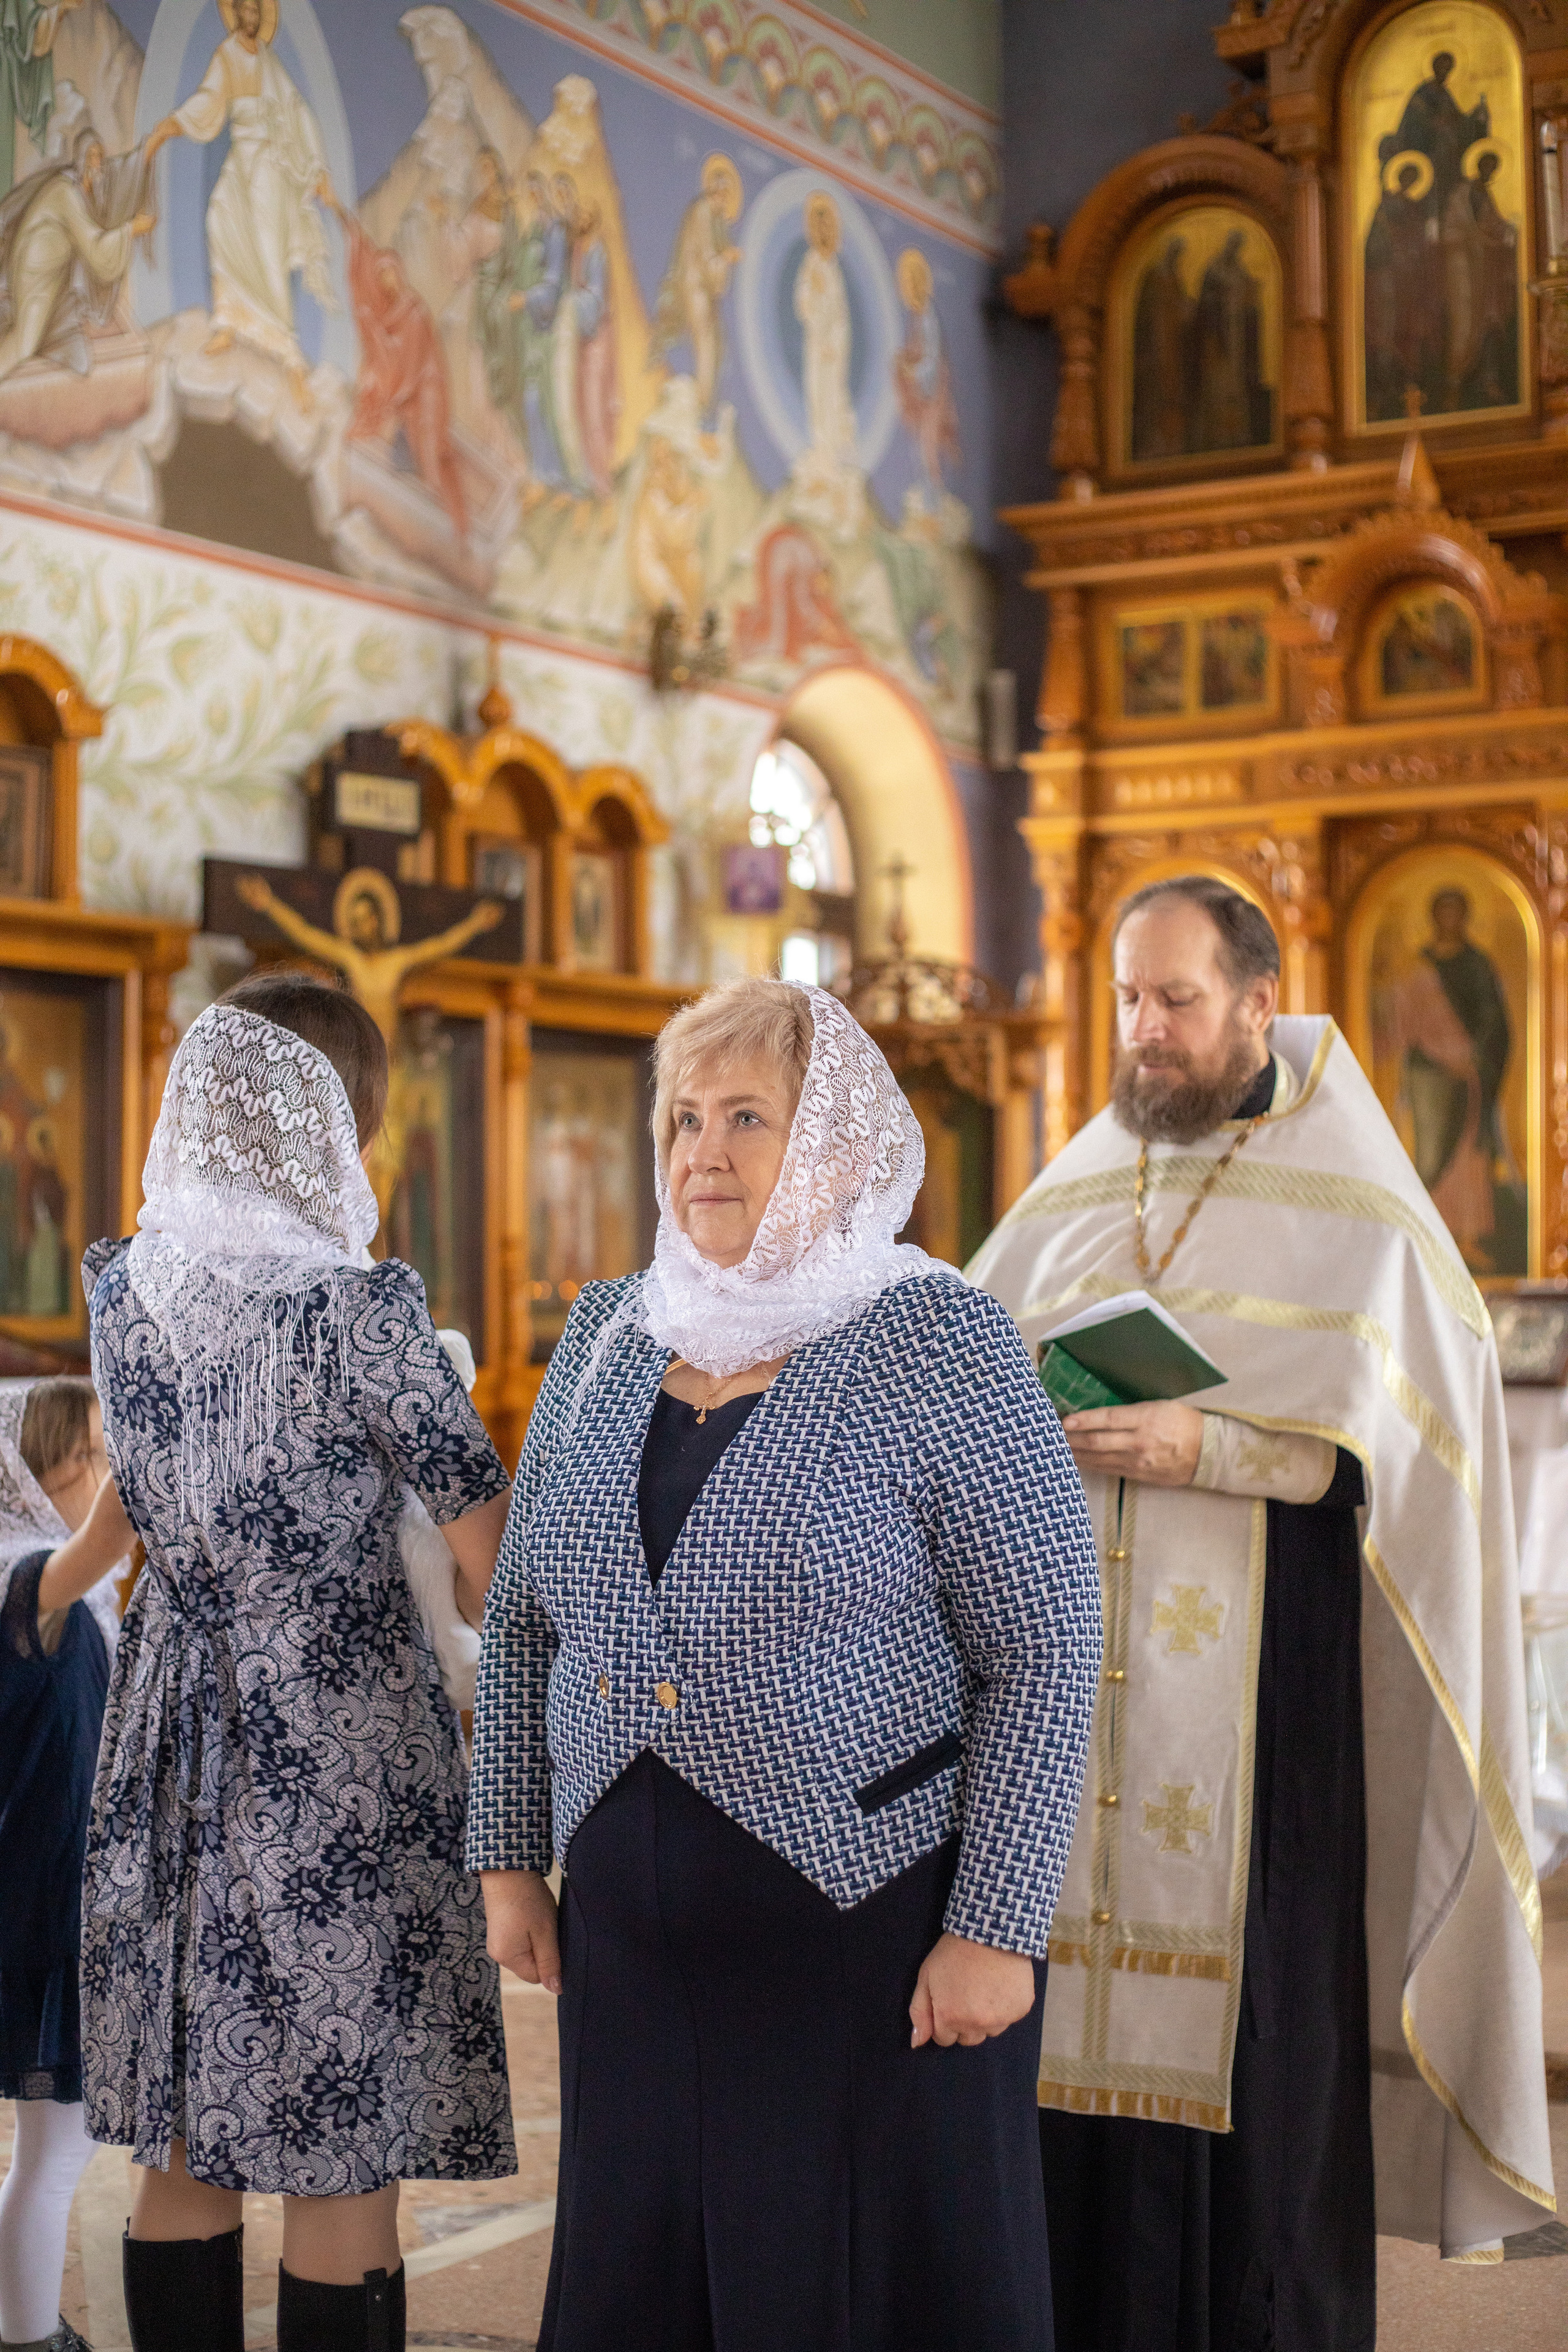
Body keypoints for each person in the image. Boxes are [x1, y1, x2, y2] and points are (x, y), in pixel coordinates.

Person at [468, 975, 1102, 2352]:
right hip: (629, 1949)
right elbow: (522, 1618)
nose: (703, 1150)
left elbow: (1045, 1645)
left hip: (863, 1937)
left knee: (847, 2288)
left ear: (832, 1142)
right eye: (683, 1119)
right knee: (645, 2293)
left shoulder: (939, 1337)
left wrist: (995, 1929)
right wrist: (508, 1854)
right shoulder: (607, 1330)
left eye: (748, 1117)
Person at [969, 875, 1553, 2350]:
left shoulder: (1361, 1207)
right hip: (1067, 1690)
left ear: (1255, 1002)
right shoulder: (1081, 1182)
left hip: (1261, 1701)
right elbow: (970, 1371)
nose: (1144, 1030)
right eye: (1125, 997)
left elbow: (1409, 1464)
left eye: (1174, 1000)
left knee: (1254, 2047)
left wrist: (1212, 1446)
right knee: (1051, 2057)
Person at [80, 972, 517, 2352]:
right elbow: (492, 1557)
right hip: (338, 1742)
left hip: (165, 1731)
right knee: (341, 2143)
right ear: (344, 1123)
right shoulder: (361, 1310)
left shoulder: (122, 1290)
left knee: (181, 2136)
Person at [0, 1376, 132, 2352]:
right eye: (100, 1449)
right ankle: (28, 2336)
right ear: (55, 1465)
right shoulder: (29, 1581)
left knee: (49, 2150)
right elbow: (110, 1535)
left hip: (44, 1889)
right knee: (56, 2152)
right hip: (50, 1903)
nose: (111, 1466)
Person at [144, 0, 334, 404]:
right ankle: (229, 321)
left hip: (268, 163)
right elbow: (208, 101)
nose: (250, 17)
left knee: (268, 253)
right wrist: (170, 126)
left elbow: (297, 110)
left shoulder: (269, 61)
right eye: (244, 10)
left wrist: (318, 168)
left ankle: (291, 359)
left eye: (254, 11)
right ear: (234, 14)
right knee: (219, 219)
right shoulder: (227, 55)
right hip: (241, 156)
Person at [0, 126, 154, 386]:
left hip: (56, 278)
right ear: (81, 158)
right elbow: (94, 247)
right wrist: (131, 230)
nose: (97, 163)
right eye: (91, 156)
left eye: (100, 156)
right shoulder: (68, 193)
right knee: (25, 344)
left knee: (79, 358)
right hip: (37, 276)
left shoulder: (84, 192)